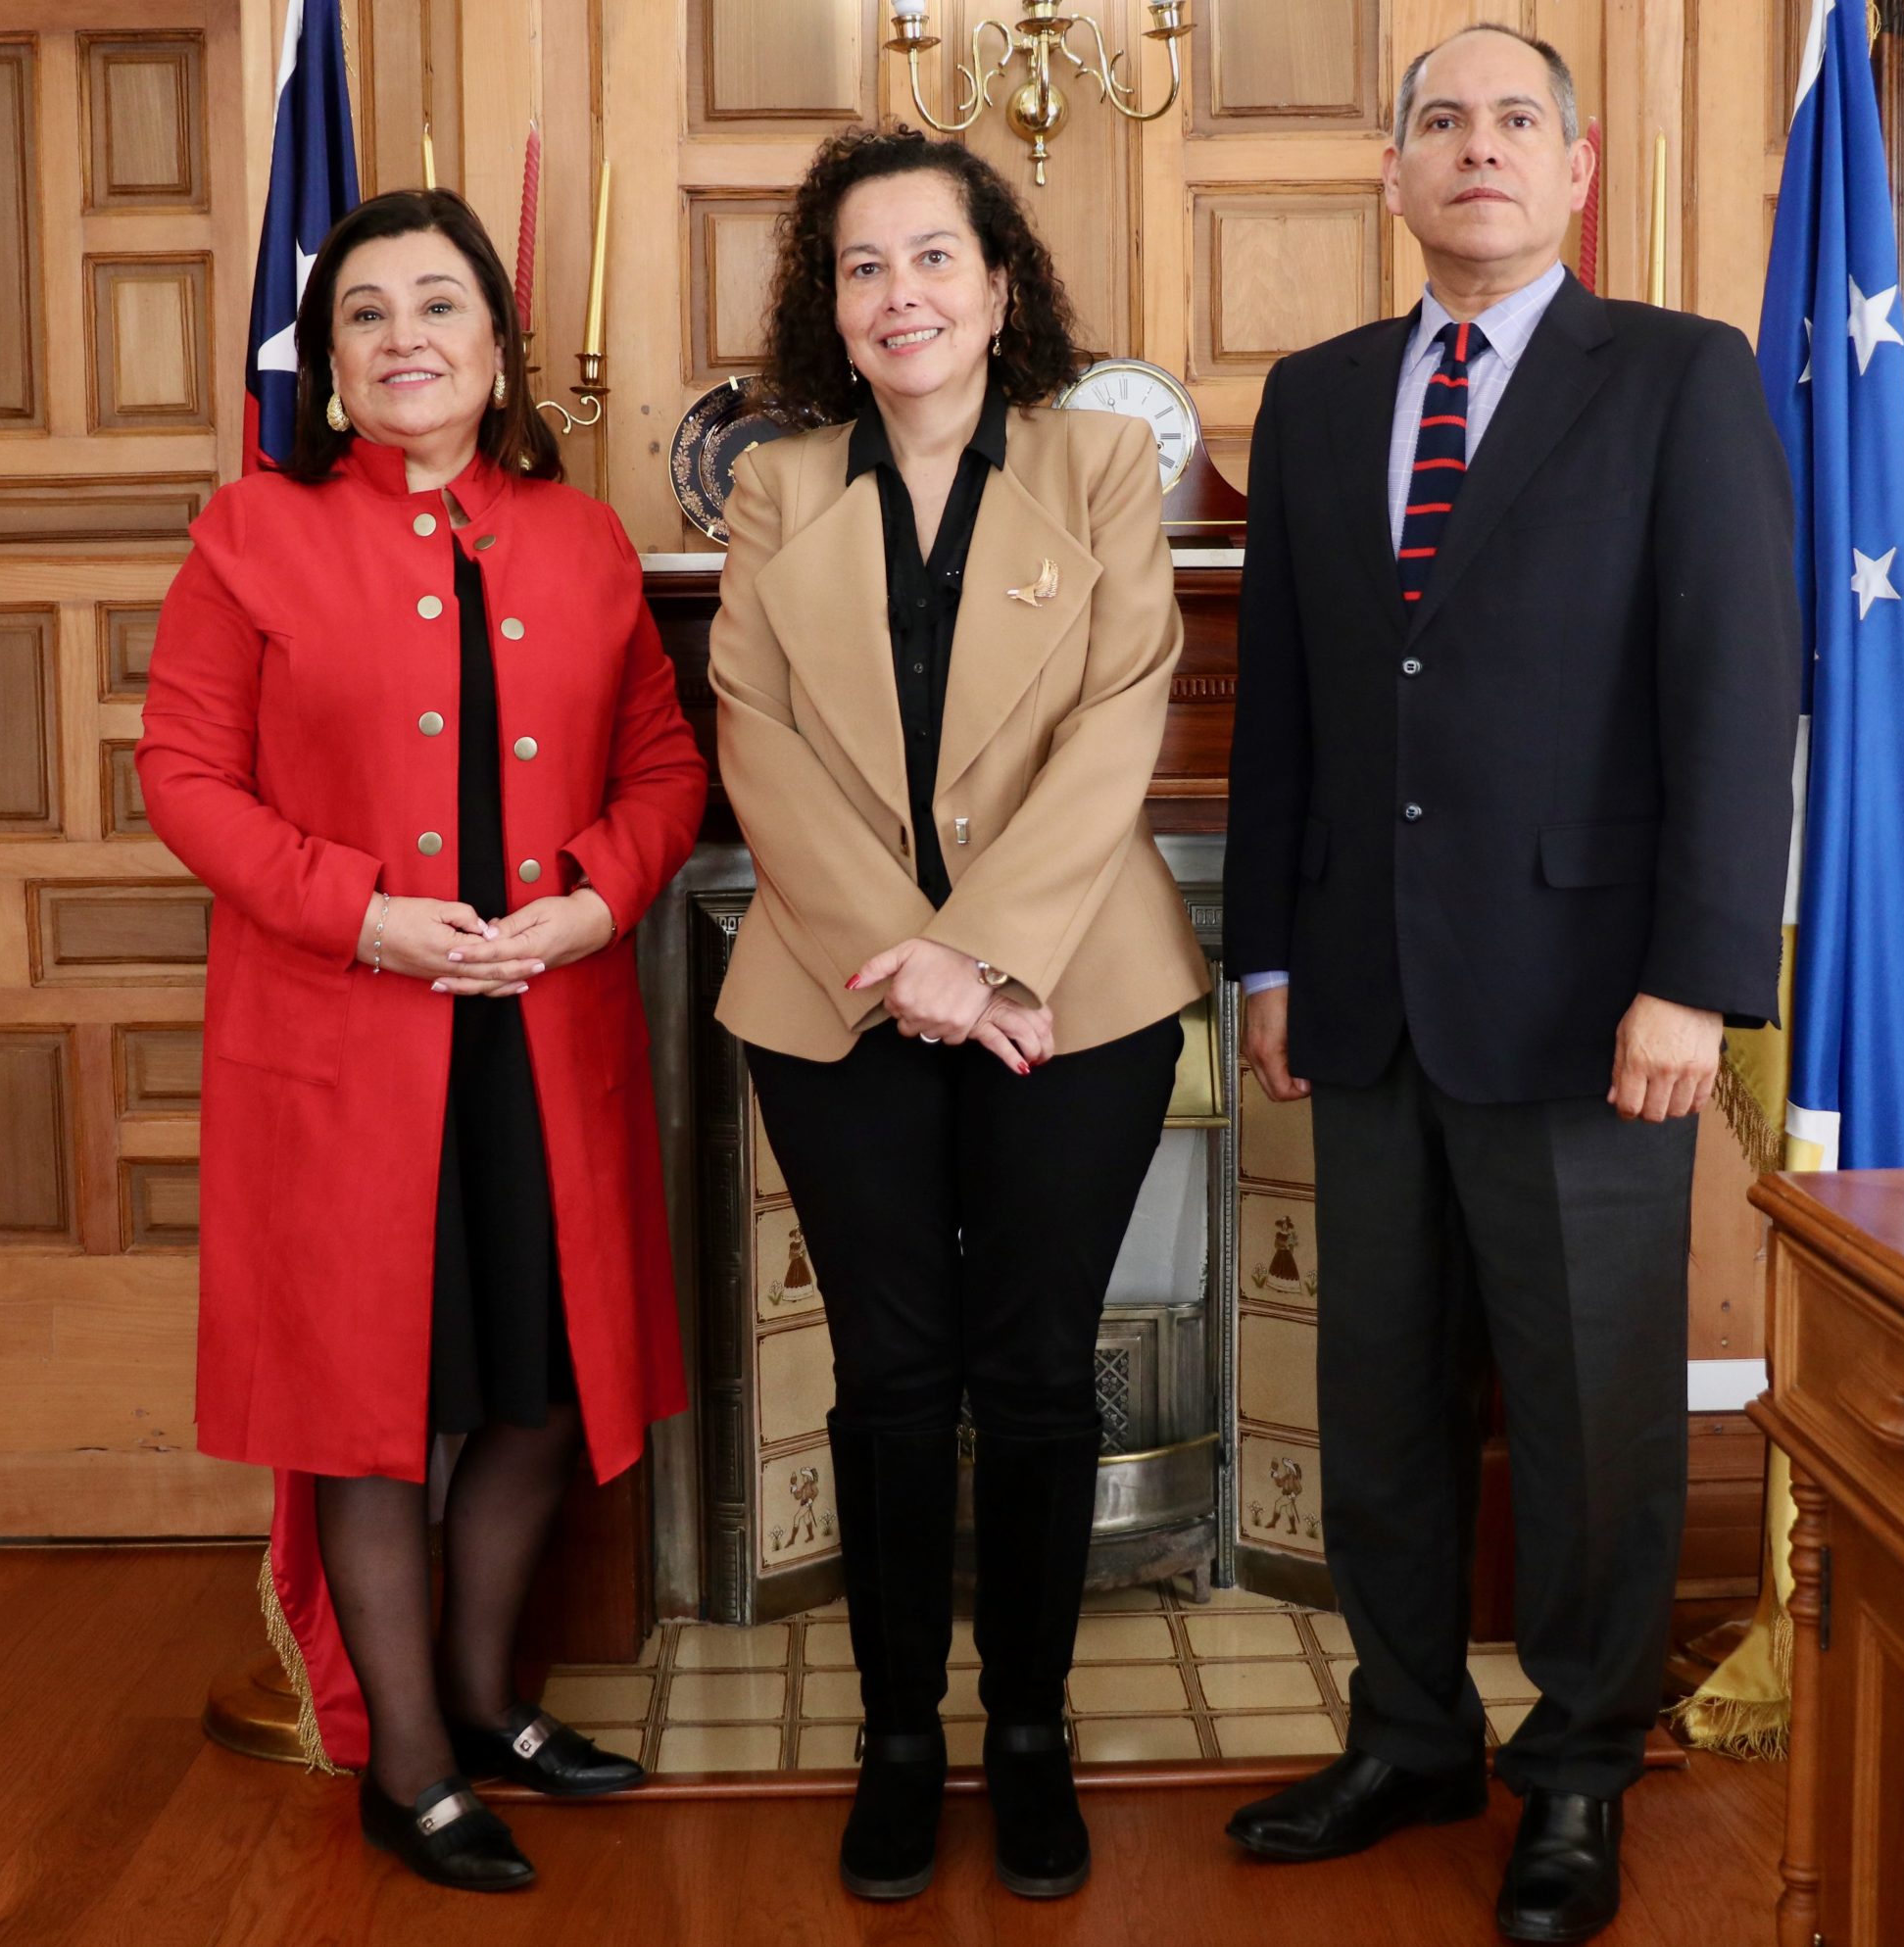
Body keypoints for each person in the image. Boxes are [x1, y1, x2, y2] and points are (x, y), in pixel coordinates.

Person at [1220, 26, 1798, 1944]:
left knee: (1587, 1409)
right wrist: (1273, 956)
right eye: (1436, 123)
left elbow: (1730, 700)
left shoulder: (1677, 382)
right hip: (1365, 991)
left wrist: (1689, 982)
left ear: (1575, 168)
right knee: (1369, 1391)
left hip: (1588, 1001)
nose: (1473, 148)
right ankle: (1403, 1735)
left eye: (1511, 121)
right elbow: (1290, 713)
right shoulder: (1308, 402)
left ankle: (1573, 1769)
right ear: (1389, 175)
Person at [137, 188, 706, 1894]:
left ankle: (479, 1697)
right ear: (328, 364)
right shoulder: (251, 533)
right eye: (367, 314)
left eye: (438, 305)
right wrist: (356, 910)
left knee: (540, 1386)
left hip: (549, 1033)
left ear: (497, 343)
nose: (405, 340)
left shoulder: (586, 541)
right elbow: (182, 780)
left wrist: (597, 902)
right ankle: (404, 1758)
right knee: (366, 1403)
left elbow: (667, 770)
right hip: (345, 1034)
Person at [709, 125, 1209, 1904]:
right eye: (863, 268)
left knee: (1034, 1373)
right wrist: (905, 957)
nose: (899, 294)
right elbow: (752, 740)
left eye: (934, 259)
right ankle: (901, 1737)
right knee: (891, 1379)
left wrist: (978, 952)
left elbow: (1123, 719)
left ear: (1002, 288)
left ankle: (1033, 1735)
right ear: (828, 313)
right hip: (835, 998)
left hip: (1077, 992)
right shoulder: (780, 487)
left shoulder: (1093, 465)